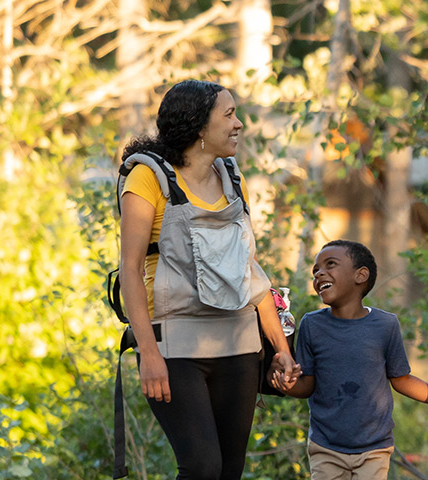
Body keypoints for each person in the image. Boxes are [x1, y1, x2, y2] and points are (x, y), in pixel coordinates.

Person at [115, 79, 298, 480]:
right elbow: (130, 268)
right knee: (201, 468)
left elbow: (249, 270)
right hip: (174, 343)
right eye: (229, 115)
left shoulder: (234, 178)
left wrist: (280, 348)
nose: (239, 124)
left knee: (228, 472)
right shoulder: (148, 179)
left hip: (239, 342)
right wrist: (148, 351)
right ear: (199, 126)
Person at [271, 240, 428, 480]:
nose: (319, 273)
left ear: (361, 275)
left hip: (374, 449)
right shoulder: (312, 324)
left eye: (330, 264)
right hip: (326, 447)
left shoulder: (385, 325)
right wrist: (289, 385)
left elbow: (401, 379)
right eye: (315, 271)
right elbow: (307, 384)